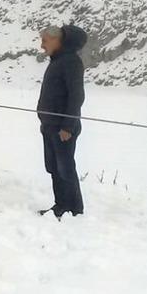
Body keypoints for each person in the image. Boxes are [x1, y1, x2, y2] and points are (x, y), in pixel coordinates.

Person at [37, 25, 87, 219]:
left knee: (65, 169)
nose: (42, 46)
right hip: (49, 126)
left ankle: (74, 209)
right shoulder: (58, 60)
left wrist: (68, 126)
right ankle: (61, 205)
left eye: (45, 41)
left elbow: (76, 97)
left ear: (57, 40)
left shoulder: (71, 62)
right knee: (53, 167)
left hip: (63, 129)